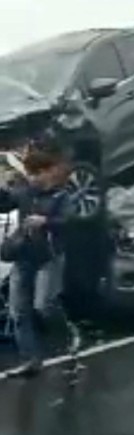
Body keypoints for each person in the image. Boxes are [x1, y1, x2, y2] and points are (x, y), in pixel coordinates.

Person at [0, 141, 79, 377]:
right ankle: (31, 359)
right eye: (30, 173)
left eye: (37, 173)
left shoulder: (61, 197)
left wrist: (47, 222)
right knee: (18, 311)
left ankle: (69, 336)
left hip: (49, 257)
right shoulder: (25, 193)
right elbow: (5, 203)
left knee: (44, 305)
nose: (32, 178)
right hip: (24, 256)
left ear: (47, 172)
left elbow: (71, 223)